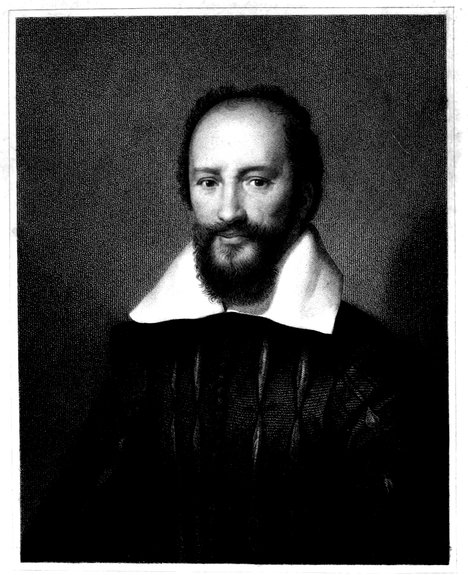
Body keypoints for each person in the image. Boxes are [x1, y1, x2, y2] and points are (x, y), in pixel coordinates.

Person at [21, 86, 448, 564]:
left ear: (304, 196)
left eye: (257, 181)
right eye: (208, 182)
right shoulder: (144, 353)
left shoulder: (367, 367)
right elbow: (66, 531)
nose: (228, 211)